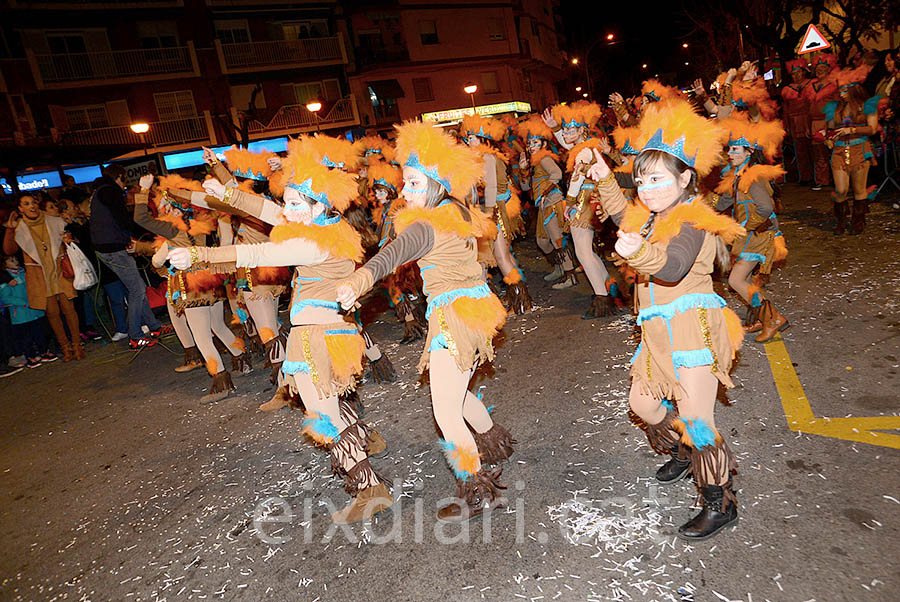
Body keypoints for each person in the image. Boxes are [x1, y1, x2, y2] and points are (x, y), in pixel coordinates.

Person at [168, 136, 393, 523]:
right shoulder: (331, 226)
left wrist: (198, 256)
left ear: (316, 205)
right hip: (331, 331)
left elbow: (257, 253)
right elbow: (272, 212)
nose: (286, 210)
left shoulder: (312, 245)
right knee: (330, 400)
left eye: (294, 204)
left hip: (316, 338)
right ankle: (366, 439)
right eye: (287, 202)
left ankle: (370, 490)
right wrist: (230, 195)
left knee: (322, 412)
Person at [336, 121, 514, 523]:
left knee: (445, 411)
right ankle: (493, 441)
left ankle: (476, 490)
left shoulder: (428, 223)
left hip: (455, 316)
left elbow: (392, 254)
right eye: (405, 183)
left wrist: (358, 280)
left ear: (435, 183)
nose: (404, 192)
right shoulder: (456, 208)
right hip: (475, 309)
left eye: (414, 183)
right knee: (457, 390)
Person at [587, 98, 746, 540]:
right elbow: (625, 216)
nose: (647, 188)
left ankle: (720, 501)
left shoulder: (693, 218)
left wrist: (637, 251)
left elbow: (673, 267)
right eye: (641, 179)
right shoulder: (654, 215)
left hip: (691, 326)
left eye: (657, 178)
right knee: (642, 404)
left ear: (686, 178)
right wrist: (605, 180)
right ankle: (682, 448)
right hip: (656, 330)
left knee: (698, 419)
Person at [136, 174, 250, 402]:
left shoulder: (173, 228)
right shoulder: (200, 221)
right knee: (218, 324)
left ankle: (221, 380)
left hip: (192, 284)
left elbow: (140, 218)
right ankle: (243, 361)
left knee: (202, 336)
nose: (159, 205)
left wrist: (143, 189)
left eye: (162, 201)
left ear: (171, 204)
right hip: (211, 278)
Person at [543, 101, 623, 317]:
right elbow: (568, 143)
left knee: (583, 252)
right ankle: (607, 285)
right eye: (566, 128)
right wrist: (556, 128)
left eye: (571, 129)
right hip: (590, 198)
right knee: (586, 250)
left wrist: (568, 204)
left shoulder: (583, 153)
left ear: (581, 130)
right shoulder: (585, 145)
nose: (567, 133)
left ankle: (602, 299)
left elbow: (576, 180)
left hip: (583, 200)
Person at [716, 113, 790, 342]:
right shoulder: (738, 175)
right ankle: (763, 317)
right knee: (744, 281)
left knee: (736, 281)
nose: (730, 153)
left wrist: (746, 227)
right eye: (730, 149)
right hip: (751, 237)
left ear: (749, 152)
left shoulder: (754, 175)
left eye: (736, 150)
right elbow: (724, 202)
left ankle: (773, 318)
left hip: (760, 237)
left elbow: (766, 208)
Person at [461, 113, 532, 314]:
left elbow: (491, 188)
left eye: (472, 138)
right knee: (501, 256)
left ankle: (519, 301)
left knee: (501, 257)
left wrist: (489, 215)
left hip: (496, 212)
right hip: (491, 211)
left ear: (483, 139)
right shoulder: (481, 158)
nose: (468, 142)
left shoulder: (488, 158)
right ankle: (517, 299)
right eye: (467, 138)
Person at [90, 164, 166, 349]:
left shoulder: (100, 191)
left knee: (135, 287)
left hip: (109, 247)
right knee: (137, 289)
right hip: (113, 248)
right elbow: (123, 218)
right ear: (121, 177)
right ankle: (136, 335)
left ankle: (154, 326)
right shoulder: (110, 191)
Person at [3, 194, 84, 361]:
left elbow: (71, 237)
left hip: (59, 270)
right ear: (20, 209)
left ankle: (77, 345)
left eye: (33, 202)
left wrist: (68, 239)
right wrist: (9, 229)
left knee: (69, 309)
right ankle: (65, 348)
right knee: (52, 313)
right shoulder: (19, 227)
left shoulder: (53, 220)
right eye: (26, 204)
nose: (31, 206)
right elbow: (9, 251)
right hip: (39, 276)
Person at [516, 115, 577, 287]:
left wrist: (546, 192)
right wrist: (522, 170)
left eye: (535, 143)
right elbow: (525, 186)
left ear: (543, 145)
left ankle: (570, 274)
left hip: (552, 203)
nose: (531, 146)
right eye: (529, 143)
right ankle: (559, 267)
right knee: (542, 242)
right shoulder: (534, 162)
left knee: (557, 240)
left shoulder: (544, 158)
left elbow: (557, 174)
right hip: (542, 206)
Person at [824, 64, 880, 234]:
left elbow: (872, 128)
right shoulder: (836, 107)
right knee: (840, 189)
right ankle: (841, 220)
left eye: (844, 90)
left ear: (853, 89)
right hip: (840, 150)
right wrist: (828, 137)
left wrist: (852, 130)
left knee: (859, 189)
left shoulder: (868, 106)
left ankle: (858, 221)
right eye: (839, 90)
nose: (841, 93)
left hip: (860, 149)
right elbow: (830, 128)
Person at [0, 254, 54, 368]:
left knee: (39, 332)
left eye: (15, 259)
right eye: (11, 260)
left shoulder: (24, 273)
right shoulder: (6, 279)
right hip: (20, 313)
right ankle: (30, 356)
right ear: (4, 265)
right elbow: (5, 298)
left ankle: (43, 351)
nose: (15, 262)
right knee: (26, 337)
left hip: (34, 311)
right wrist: (23, 303)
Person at [803, 53, 839, 190]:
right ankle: (822, 181)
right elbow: (807, 109)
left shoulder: (833, 85)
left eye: (823, 69)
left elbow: (838, 105)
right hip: (815, 123)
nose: (820, 71)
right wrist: (807, 126)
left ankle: (837, 179)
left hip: (829, 121)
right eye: (817, 69)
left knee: (832, 151)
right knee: (818, 154)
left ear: (828, 70)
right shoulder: (810, 87)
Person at [781, 59, 814, 184]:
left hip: (810, 118)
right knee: (800, 151)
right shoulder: (787, 90)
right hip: (795, 121)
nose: (797, 76)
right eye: (794, 74)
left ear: (804, 72)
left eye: (799, 72)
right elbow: (785, 110)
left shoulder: (812, 84)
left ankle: (820, 177)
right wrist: (786, 125)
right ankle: (805, 177)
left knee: (815, 149)